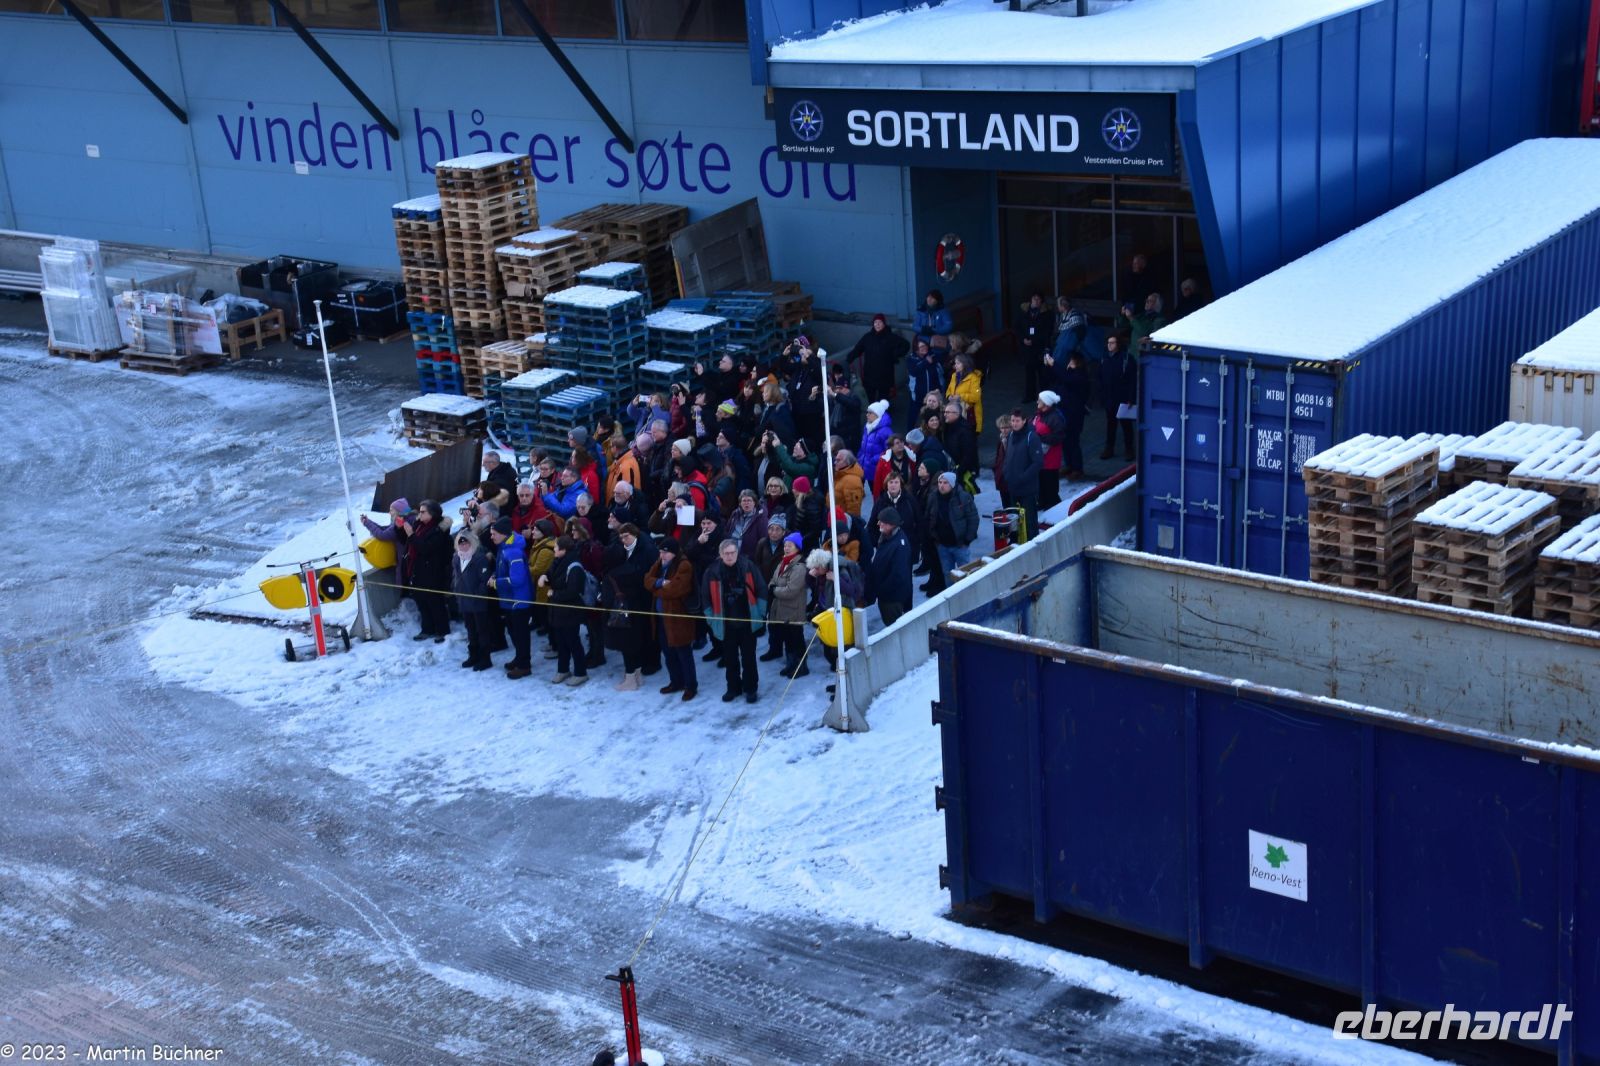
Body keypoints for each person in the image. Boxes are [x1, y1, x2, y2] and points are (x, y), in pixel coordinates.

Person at [703, 538, 767, 703]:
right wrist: (711, 619)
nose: (730, 556)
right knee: (730, 659)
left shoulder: (748, 566)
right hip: (726, 624)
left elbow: (761, 589)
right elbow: (705, 597)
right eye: (726, 553)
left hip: (747, 622)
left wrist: (759, 613)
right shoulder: (712, 571)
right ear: (721, 554)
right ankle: (733, 688)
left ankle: (751, 688)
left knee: (749, 658)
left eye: (732, 553)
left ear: (737, 553)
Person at [602, 523, 653, 691]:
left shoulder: (614, 574)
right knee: (634, 643)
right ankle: (636, 675)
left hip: (628, 611)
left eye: (626, 537)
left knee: (627, 645)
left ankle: (630, 678)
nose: (624, 540)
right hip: (634, 608)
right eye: (621, 538)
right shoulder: (629, 561)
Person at [645, 539, 698, 700]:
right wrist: (660, 583)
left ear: (674, 552)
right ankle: (676, 681)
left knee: (684, 653)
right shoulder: (660, 563)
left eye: (665, 552)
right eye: (660, 552)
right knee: (668, 653)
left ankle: (690, 685)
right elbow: (647, 579)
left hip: (678, 618)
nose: (662, 555)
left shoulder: (684, 565)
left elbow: (675, 590)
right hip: (662, 618)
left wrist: (655, 589)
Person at [397, 500, 452, 641]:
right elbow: (407, 542)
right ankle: (427, 629)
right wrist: (400, 529)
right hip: (417, 570)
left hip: (433, 571)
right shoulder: (419, 525)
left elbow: (426, 548)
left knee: (435, 602)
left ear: (432, 514)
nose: (419, 514)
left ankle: (442, 630)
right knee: (421, 601)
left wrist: (411, 535)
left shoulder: (439, 530)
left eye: (423, 512)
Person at [541, 536, 591, 687]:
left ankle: (580, 672)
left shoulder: (574, 566)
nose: (554, 549)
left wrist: (554, 594)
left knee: (573, 642)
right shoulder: (558, 561)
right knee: (561, 642)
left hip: (570, 611)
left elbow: (573, 591)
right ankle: (562, 670)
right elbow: (551, 575)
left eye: (556, 547)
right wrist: (544, 576)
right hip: (557, 610)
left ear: (564, 550)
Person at [487, 517, 533, 679]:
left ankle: (524, 665)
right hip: (509, 600)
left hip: (518, 601)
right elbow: (502, 569)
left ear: (503, 534)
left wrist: (496, 583)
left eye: (494, 534)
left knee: (520, 634)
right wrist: (495, 574)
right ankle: (519, 657)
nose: (491, 537)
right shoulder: (504, 547)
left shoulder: (513, 552)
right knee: (513, 632)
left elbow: (518, 580)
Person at [764, 532, 810, 679]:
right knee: (787, 639)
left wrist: (774, 590)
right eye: (785, 545)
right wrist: (772, 586)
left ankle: (801, 666)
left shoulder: (799, 567)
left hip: (793, 611)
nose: (786, 548)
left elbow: (791, 590)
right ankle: (791, 664)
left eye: (790, 545)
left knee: (796, 639)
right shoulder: (783, 562)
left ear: (797, 548)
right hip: (781, 609)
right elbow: (773, 579)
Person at [451, 529, 494, 671]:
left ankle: (485, 658)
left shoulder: (479, 558)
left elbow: (484, 581)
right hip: (464, 601)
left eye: (466, 542)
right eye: (460, 543)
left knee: (482, 630)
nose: (463, 546)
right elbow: (456, 577)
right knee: (470, 630)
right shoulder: (457, 558)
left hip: (477, 601)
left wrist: (478, 594)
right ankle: (473, 655)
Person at [926, 471, 979, 589]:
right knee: (947, 574)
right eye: (940, 482)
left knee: (965, 574)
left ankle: (965, 597)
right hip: (943, 546)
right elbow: (929, 517)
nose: (941, 485)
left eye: (945, 483)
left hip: (960, 545)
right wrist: (934, 537)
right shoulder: (933, 497)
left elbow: (973, 518)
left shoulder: (963, 497)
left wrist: (967, 539)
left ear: (952, 484)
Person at [846, 313, 908, 405]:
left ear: (884, 324)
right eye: (875, 322)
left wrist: (895, 354)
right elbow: (858, 349)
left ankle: (882, 418)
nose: (877, 324)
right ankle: (872, 417)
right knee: (870, 400)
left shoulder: (890, 337)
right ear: (873, 324)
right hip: (870, 375)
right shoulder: (867, 337)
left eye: (880, 322)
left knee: (883, 401)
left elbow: (906, 345)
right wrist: (849, 358)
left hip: (885, 376)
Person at [866, 507, 913, 625]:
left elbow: (898, 576)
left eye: (882, 522)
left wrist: (880, 590)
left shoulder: (898, 545)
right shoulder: (888, 538)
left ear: (891, 524)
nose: (878, 524)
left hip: (892, 599)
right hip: (887, 596)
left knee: (893, 627)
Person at [1003, 407, 1044, 541]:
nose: (1014, 423)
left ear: (1024, 421)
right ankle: (1016, 544)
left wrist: (1023, 477)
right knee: (1014, 520)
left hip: (1027, 489)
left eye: (1017, 421)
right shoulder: (1010, 435)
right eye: (1012, 420)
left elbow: (1038, 462)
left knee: (1030, 521)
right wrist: (1006, 473)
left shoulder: (1031, 437)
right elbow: (1008, 457)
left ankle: (1032, 544)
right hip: (1013, 487)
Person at [1099, 332, 1138, 461]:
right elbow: (1101, 378)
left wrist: (1131, 398)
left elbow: (1132, 381)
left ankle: (1129, 449)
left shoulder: (1127, 358)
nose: (1109, 345)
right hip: (1109, 398)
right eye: (1108, 343)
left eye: (1112, 342)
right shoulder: (1104, 358)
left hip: (1122, 398)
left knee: (1126, 425)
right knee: (1111, 424)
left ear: (1118, 344)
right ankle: (1109, 448)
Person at [1058, 350, 1090, 481]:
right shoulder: (1072, 374)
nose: (1069, 363)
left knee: (1073, 441)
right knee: (1065, 440)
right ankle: (1069, 465)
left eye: (1071, 361)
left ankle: (1077, 468)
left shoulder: (1080, 376)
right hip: (1066, 411)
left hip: (1075, 414)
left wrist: (1055, 365)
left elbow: (1066, 379)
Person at [1033, 391, 1068, 510]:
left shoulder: (1055, 418)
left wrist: (1040, 438)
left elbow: (1059, 436)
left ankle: (1053, 506)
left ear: (1047, 403)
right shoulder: (1039, 414)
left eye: (1040, 400)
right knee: (1041, 482)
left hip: (1050, 459)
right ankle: (1042, 502)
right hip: (1040, 457)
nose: (1037, 402)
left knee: (1050, 484)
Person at [1015, 292, 1051, 396]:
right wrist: (1023, 339)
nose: (1036, 301)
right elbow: (1017, 327)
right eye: (1034, 298)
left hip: (1039, 347)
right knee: (1029, 372)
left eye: (1038, 299)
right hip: (1027, 347)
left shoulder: (1046, 314)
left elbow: (1047, 331)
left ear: (1041, 301)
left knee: (1042, 373)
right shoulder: (1023, 312)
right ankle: (1029, 395)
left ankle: (1045, 396)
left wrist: (1035, 340)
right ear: (1030, 300)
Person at [940, 400, 979, 494]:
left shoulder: (965, 431)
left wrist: (958, 472)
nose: (945, 414)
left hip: (961, 472)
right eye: (945, 412)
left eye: (948, 412)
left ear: (957, 414)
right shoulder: (948, 426)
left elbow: (969, 454)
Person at [904, 339, 945, 429]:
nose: (925, 348)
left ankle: (934, 432)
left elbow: (939, 372)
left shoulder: (933, 356)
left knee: (934, 414)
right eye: (921, 346)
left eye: (925, 345)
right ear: (916, 349)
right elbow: (914, 371)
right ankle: (909, 434)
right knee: (913, 415)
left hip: (933, 393)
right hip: (918, 394)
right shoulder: (911, 359)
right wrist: (925, 362)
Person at [607, 433, 650, 505]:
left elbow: (627, 494)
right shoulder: (619, 462)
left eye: (610, 447)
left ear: (615, 448)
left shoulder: (626, 466)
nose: (610, 449)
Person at [945, 350, 983, 430]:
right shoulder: (954, 375)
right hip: (955, 411)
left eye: (958, 363)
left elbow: (975, 397)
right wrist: (949, 396)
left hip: (968, 414)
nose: (955, 366)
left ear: (965, 364)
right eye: (955, 363)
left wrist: (960, 396)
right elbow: (949, 390)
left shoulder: (974, 378)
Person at [858, 399, 894, 481]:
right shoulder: (867, 427)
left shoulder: (886, 431)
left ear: (878, 414)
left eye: (870, 413)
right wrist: (860, 457)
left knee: (876, 492)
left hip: (876, 469)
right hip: (864, 466)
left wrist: (874, 460)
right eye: (867, 412)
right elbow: (863, 445)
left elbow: (889, 450)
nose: (867, 415)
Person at [830, 449, 867, 517]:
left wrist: (849, 524)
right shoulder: (840, 475)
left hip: (844, 521)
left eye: (838, 460)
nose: (835, 463)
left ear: (847, 462)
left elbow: (854, 509)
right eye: (836, 460)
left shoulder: (852, 481)